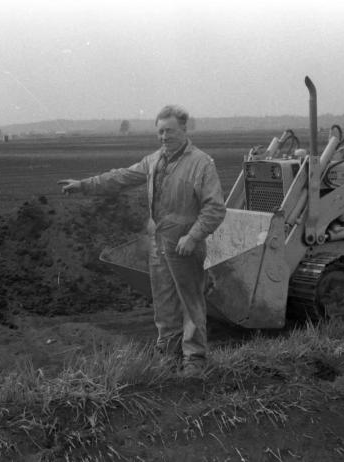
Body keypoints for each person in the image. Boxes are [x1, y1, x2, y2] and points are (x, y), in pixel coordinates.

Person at [58, 105, 226, 377]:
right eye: (160, 132)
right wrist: (85, 184)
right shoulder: (154, 161)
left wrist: (193, 237)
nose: (164, 137)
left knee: (191, 304)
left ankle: (195, 361)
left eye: (169, 131)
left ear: (184, 129)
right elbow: (121, 177)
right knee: (164, 305)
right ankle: (169, 358)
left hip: (184, 246)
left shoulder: (201, 163)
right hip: (159, 245)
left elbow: (215, 208)